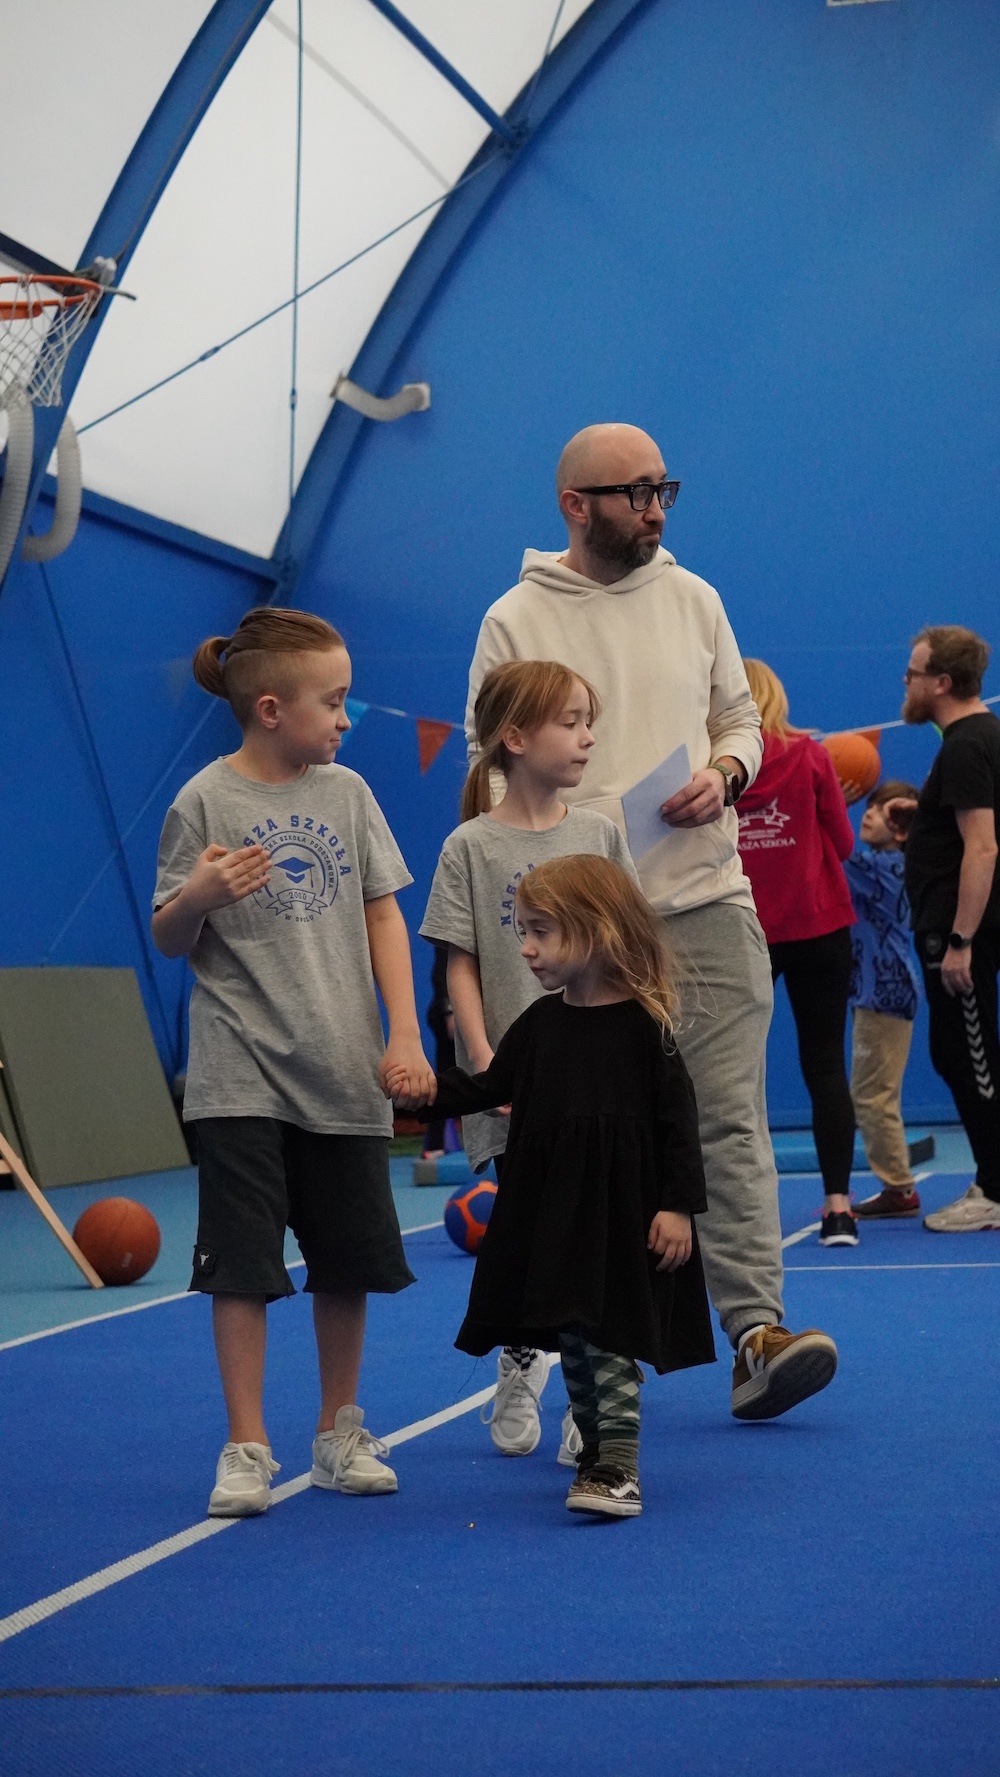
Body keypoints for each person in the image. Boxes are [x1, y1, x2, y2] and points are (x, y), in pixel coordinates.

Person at [465, 423, 838, 1420]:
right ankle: (547, 1337)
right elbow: (491, 764)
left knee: (726, 1119)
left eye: (663, 488)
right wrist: (559, 871)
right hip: (582, 925)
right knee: (575, 1140)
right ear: (573, 505)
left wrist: (726, 774)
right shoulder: (513, 617)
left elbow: (739, 720)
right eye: (635, 492)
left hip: (707, 901)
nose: (656, 509)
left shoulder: (695, 596)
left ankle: (756, 1333)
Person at [151, 607, 433, 1517]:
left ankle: (338, 1429)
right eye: (334, 701)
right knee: (240, 1265)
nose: (346, 718)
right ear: (271, 708)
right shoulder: (204, 801)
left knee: (344, 1261)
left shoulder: (348, 795)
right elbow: (169, 936)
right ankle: (247, 1443)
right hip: (238, 1073)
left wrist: (403, 1033)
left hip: (342, 1067)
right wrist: (197, 894)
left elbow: (384, 912)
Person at [395, 854, 715, 1519]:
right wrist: (426, 1093)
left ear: (596, 931)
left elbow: (679, 1125)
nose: (526, 947)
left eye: (541, 931)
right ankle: (596, 1449)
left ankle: (618, 1464)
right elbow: (488, 1087)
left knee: (608, 1335)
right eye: (524, 930)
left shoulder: (645, 1028)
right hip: (554, 1213)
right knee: (572, 1335)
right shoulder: (540, 1024)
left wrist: (679, 1206)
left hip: (622, 1216)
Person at [420, 659, 639, 1463]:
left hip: (597, 1085)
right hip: (516, 1089)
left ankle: (591, 1395)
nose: (587, 738)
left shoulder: (599, 835)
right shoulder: (470, 846)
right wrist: (486, 1063)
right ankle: (522, 1356)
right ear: (514, 737)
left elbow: (626, 951)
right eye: (571, 722)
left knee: (595, 1239)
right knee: (533, 1235)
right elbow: (461, 963)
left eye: (590, 722)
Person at [737, 660, 859, 1247]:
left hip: (747, 932)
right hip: (819, 926)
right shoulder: (811, 756)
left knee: (738, 1073)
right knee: (826, 1065)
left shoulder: (716, 770)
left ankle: (746, 1211)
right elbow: (845, 844)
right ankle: (839, 1210)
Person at [888, 626, 1000, 1233]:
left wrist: (961, 941)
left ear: (942, 683)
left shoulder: (964, 745)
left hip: (959, 933)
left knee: (969, 1055)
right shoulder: (979, 737)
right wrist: (925, 814)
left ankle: (996, 1189)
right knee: (956, 1052)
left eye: (913, 673)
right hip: (956, 926)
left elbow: (983, 847)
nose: (905, 682)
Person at [844, 780, 924, 1220]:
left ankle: (898, 1187)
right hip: (881, 988)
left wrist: (834, 803)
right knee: (875, 1091)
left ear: (903, 828)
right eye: (868, 806)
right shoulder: (892, 863)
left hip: (884, 990)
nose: (869, 814)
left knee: (873, 1094)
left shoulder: (881, 866)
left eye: (882, 809)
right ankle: (897, 1184)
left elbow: (833, 849)